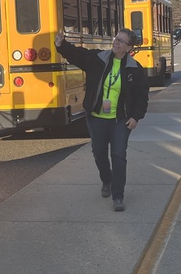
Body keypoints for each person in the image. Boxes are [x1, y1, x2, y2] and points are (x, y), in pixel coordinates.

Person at [55, 27, 149, 212]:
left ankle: (118, 196)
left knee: (119, 155)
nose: (116, 42)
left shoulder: (135, 69)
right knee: (99, 154)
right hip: (97, 119)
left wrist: (135, 117)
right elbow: (78, 55)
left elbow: (142, 96)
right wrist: (62, 45)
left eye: (121, 41)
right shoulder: (99, 59)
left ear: (129, 47)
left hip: (120, 120)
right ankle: (107, 179)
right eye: (116, 39)